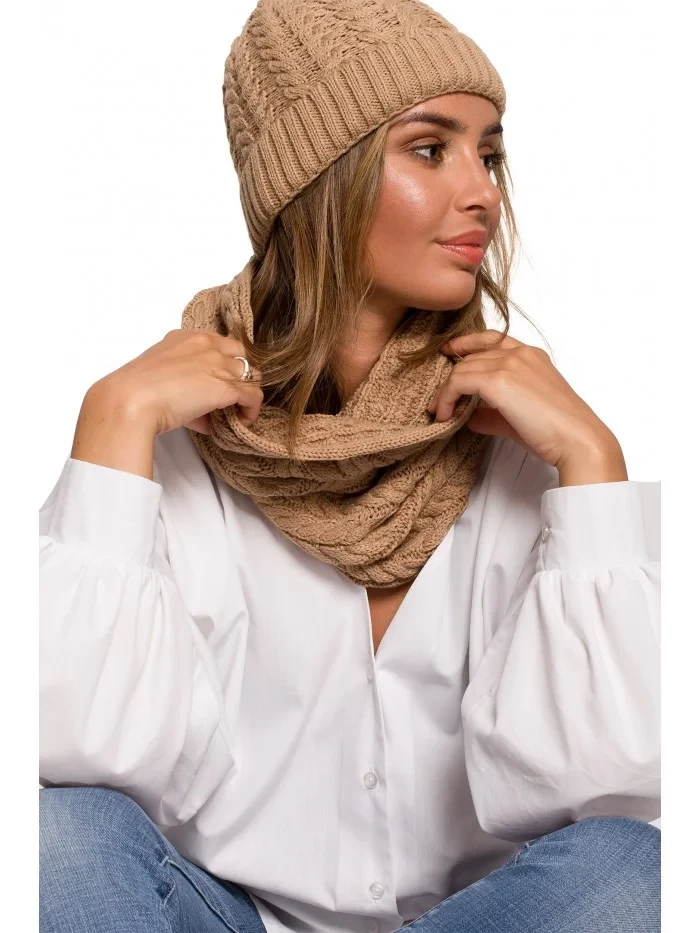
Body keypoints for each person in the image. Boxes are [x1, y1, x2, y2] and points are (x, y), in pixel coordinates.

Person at [38, 1, 661, 931]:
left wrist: (593, 463)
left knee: (634, 869)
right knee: (52, 840)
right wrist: (112, 426)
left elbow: (610, 783)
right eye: (430, 150)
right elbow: (76, 756)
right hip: (227, 917)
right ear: (318, 179)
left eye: (488, 154)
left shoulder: (524, 438)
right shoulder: (173, 435)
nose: (482, 192)